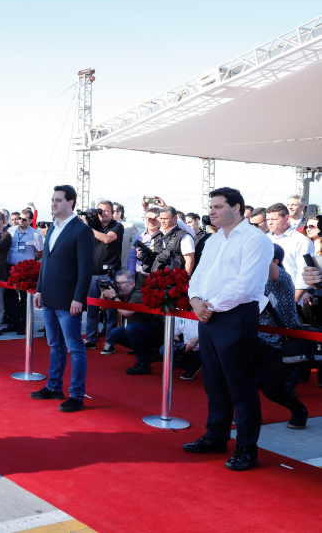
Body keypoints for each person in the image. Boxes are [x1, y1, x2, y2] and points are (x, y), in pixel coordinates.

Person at [184, 187, 273, 472]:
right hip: (209, 316)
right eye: (211, 206)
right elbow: (197, 276)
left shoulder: (255, 240)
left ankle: (247, 449)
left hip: (235, 316)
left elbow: (246, 285)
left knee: (240, 385)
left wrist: (209, 306)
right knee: (214, 383)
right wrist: (196, 301)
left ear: (237, 208)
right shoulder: (212, 241)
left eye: (218, 206)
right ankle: (216, 436)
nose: (211, 211)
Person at [31, 185, 94, 412]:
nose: (53, 203)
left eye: (58, 200)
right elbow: (46, 262)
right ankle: (54, 386)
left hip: (69, 301)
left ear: (71, 202)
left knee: (75, 348)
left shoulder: (81, 230)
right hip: (49, 297)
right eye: (52, 199)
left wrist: (79, 298)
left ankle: (77, 395)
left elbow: (85, 269)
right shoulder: (52, 228)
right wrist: (39, 290)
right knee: (54, 344)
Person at [258, 244, 309, 429]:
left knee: (272, 389)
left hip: (279, 343)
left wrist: (254, 242)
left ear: (275, 261)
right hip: (256, 339)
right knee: (241, 379)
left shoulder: (283, 279)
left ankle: (299, 410)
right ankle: (249, 415)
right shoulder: (252, 278)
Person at [100, 270, 164, 373]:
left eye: (120, 283)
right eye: (116, 283)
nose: (117, 286)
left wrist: (114, 297)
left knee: (131, 329)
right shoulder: (122, 294)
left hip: (156, 331)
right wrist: (104, 293)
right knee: (115, 333)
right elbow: (103, 307)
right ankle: (150, 354)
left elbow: (126, 312)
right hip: (141, 330)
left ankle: (143, 363)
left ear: (130, 283)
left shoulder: (138, 294)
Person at [84, 200, 123, 348]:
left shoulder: (117, 226)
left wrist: (88, 228)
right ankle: (91, 339)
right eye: (100, 210)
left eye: (106, 210)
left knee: (110, 311)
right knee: (92, 309)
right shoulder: (94, 225)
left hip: (109, 274)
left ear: (112, 212)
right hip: (92, 273)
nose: (103, 213)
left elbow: (107, 239)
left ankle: (110, 341)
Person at [5, 208, 44, 334]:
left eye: (24, 219)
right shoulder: (11, 230)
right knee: (11, 297)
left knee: (25, 299)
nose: (20, 221)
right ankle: (13, 322)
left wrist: (30, 261)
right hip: (10, 268)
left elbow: (40, 253)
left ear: (31, 220)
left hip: (25, 271)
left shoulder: (35, 234)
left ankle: (23, 324)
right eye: (19, 218)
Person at [265, 202, 312, 304]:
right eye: (268, 219)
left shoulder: (301, 241)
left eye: (274, 219)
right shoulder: (265, 239)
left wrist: (293, 301)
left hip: (292, 299)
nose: (270, 223)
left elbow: (304, 273)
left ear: (287, 218)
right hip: (266, 299)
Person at [152, 206, 196, 275]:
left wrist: (185, 280)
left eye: (165, 218)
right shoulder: (157, 235)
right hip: (157, 278)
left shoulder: (185, 236)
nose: (162, 221)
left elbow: (189, 261)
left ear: (175, 218)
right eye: (161, 218)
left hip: (175, 280)